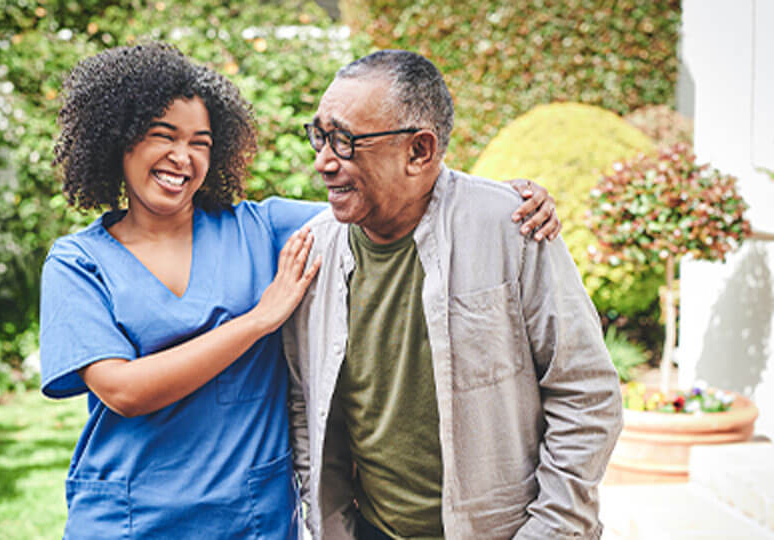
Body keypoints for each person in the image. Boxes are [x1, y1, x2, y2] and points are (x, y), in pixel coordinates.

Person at [39, 43, 560, 539]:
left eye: (200, 142)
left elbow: (392, 198)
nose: (184, 156)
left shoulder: (262, 229)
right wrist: (259, 319)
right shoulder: (78, 263)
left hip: (250, 519)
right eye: (163, 135)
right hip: (130, 521)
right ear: (118, 139)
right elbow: (123, 391)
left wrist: (505, 197)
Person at [284, 50, 624, 540]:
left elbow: (586, 395)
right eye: (319, 135)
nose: (323, 161)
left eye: (344, 141)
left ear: (419, 152)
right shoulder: (312, 250)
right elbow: (305, 401)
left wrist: (552, 529)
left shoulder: (513, 227)